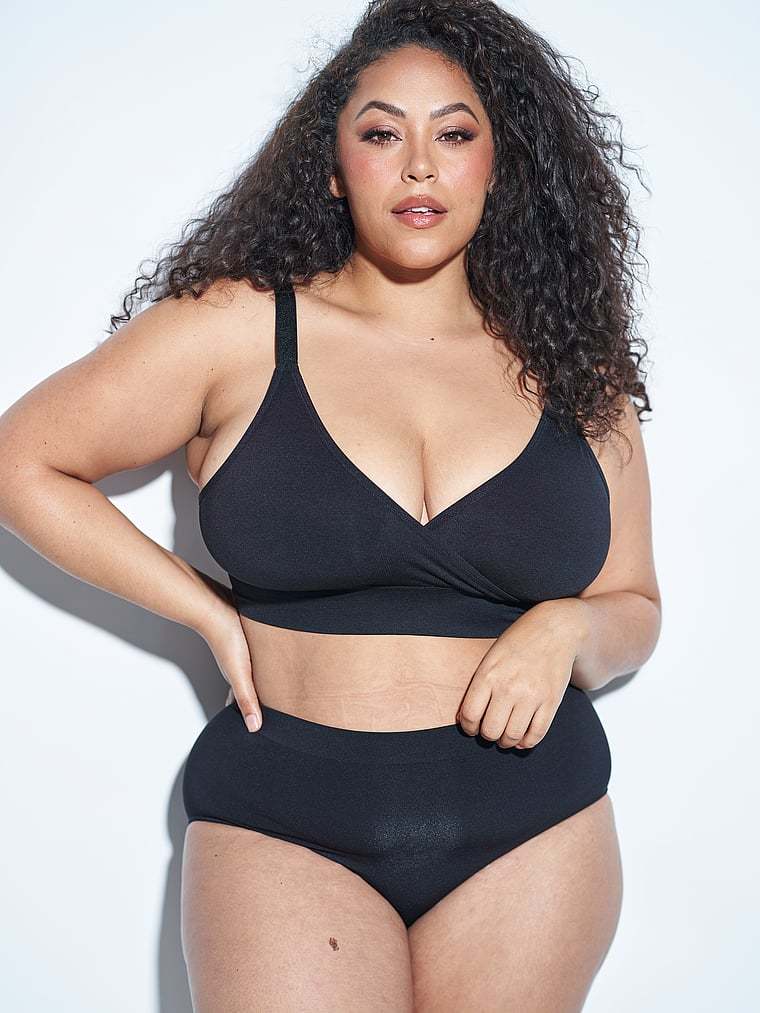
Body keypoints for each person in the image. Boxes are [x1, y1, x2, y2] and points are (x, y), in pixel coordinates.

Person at [0, 1, 661, 1009]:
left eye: (455, 134)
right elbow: (24, 461)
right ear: (333, 166)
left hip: (534, 822)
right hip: (285, 816)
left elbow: (635, 604)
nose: (419, 166)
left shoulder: (574, 365)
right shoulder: (237, 327)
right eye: (381, 133)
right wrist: (204, 610)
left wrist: (570, 627)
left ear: (501, 165)